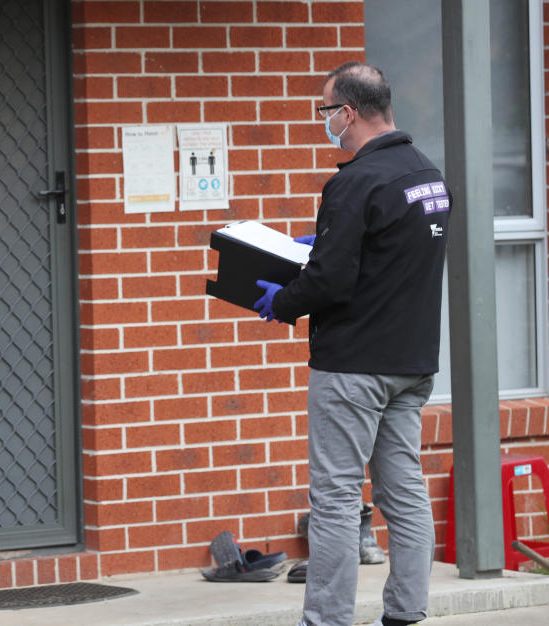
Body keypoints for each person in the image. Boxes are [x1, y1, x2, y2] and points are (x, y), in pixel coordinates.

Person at [252, 62, 450, 626]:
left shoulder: (354, 181)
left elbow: (331, 281)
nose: (325, 120)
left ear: (350, 112)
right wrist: (334, 239)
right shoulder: (427, 175)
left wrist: (281, 301)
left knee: (336, 500)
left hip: (354, 367)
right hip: (411, 365)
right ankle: (406, 613)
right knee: (405, 492)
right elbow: (392, 251)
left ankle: (327, 621)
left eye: (326, 109)